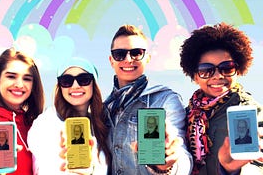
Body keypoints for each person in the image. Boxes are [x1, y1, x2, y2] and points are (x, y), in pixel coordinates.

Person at [104, 24, 192, 174]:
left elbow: (182, 157)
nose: (128, 59)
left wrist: (167, 164)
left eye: (136, 53)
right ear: (111, 60)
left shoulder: (165, 100)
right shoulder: (103, 108)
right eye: (120, 54)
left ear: (147, 58)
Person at [180, 22, 263, 174]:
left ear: (238, 70)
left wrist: (232, 170)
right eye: (206, 70)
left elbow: (257, 164)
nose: (218, 76)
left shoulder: (249, 111)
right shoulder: (185, 114)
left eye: (227, 68)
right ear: (195, 77)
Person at [28, 57, 111, 175]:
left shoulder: (102, 124)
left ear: (94, 84)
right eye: (66, 81)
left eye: (84, 79)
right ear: (60, 87)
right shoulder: (47, 122)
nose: (75, 85)